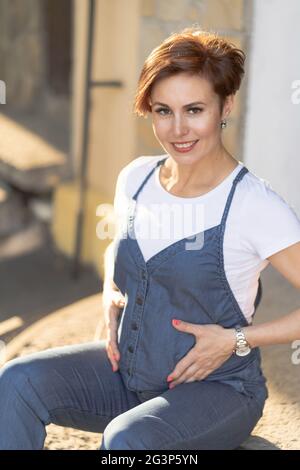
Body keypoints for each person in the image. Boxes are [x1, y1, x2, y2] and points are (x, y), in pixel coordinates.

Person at [0, 27, 300, 451]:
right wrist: (110, 289)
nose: (178, 129)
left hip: (218, 392)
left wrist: (238, 340)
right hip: (129, 377)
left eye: (194, 109)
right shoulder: (137, 178)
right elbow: (119, 245)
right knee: (16, 382)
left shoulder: (254, 205)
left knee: (126, 440)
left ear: (225, 106)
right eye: (163, 111)